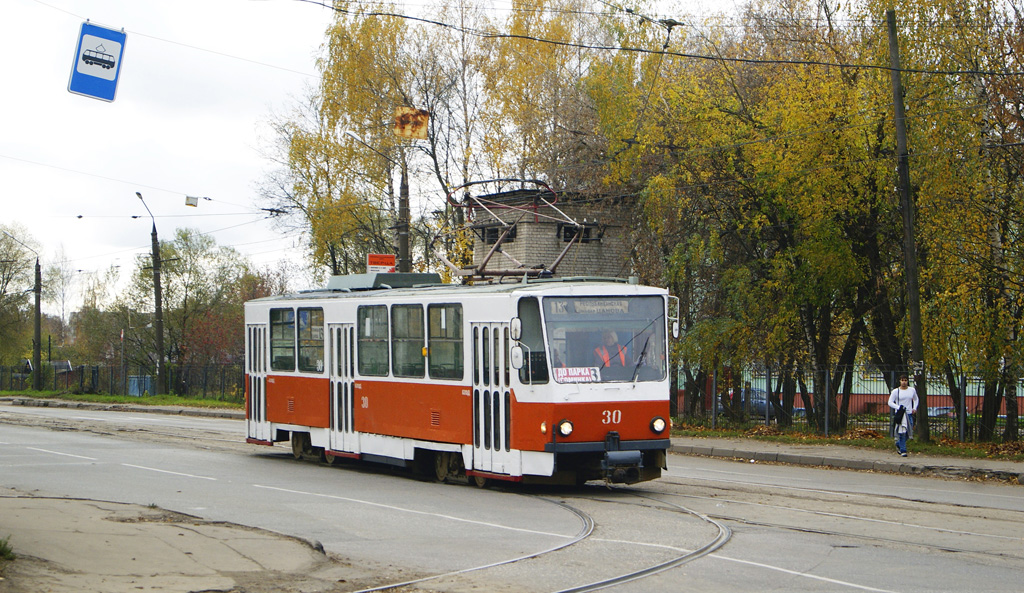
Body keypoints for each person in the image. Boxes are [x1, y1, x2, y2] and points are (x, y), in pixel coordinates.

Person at [888, 375, 919, 457]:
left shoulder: (911, 390)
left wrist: (914, 408)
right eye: (902, 380)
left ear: (907, 381)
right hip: (901, 414)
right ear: (900, 381)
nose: (904, 382)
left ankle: (898, 443)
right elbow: (890, 402)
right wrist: (899, 408)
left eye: (905, 380)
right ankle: (903, 450)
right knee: (902, 431)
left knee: (909, 431)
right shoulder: (896, 391)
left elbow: (916, 399)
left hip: (909, 413)